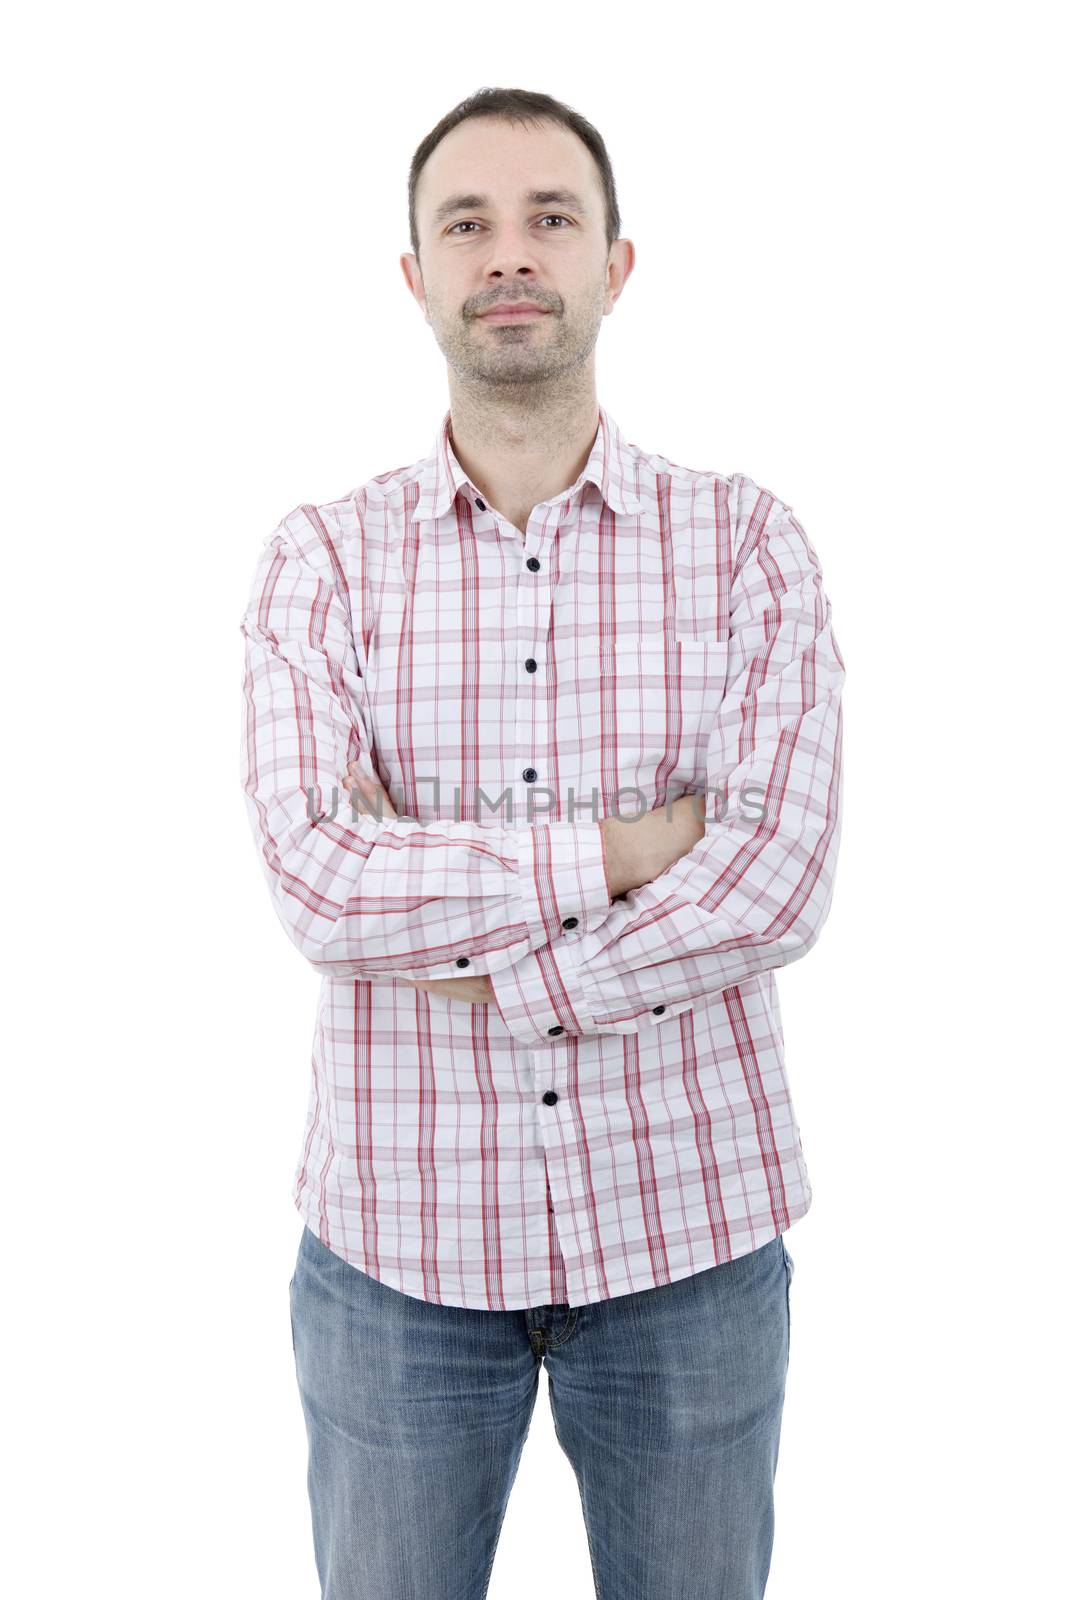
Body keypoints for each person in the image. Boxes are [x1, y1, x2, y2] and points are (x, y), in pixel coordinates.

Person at [239, 84, 845, 1600]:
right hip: (398, 1256)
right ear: (417, 277)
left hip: (690, 1243)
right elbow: (317, 876)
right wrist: (631, 846)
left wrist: (470, 949)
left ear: (616, 262)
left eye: (550, 219)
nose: (511, 255)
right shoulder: (319, 561)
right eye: (469, 224)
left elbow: (776, 880)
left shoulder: (747, 544)